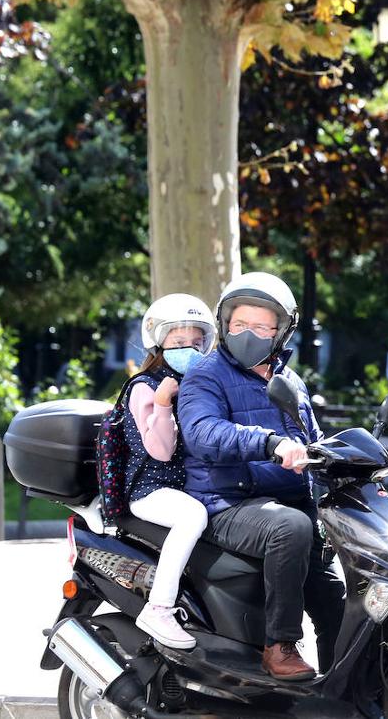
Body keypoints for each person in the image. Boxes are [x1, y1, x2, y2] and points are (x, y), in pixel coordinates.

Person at [178, 272, 344, 681]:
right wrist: (268, 442)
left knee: (334, 595)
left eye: (260, 326)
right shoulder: (206, 375)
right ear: (224, 325)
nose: (247, 334)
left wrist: (348, 461)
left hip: (287, 502)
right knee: (290, 527)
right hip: (227, 502)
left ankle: (350, 682)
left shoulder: (290, 382)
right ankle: (280, 646)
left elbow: (311, 441)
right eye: (239, 325)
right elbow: (202, 433)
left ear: (281, 332)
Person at [124, 294, 215, 650]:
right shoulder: (145, 387)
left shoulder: (195, 383)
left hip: (183, 484)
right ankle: (159, 607)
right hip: (150, 489)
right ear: (159, 343)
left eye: (195, 342)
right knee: (193, 517)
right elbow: (160, 451)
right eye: (178, 342)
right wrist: (162, 404)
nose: (188, 349)